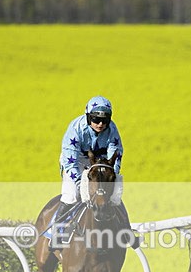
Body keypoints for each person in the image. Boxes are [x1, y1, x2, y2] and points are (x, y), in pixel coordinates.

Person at [53, 95, 136, 248]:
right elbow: (70, 160)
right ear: (88, 116)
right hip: (75, 161)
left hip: (99, 163)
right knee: (72, 194)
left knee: (114, 195)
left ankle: (127, 233)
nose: (100, 124)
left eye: (105, 120)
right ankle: (57, 233)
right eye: (95, 119)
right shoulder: (75, 129)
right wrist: (81, 183)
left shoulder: (112, 129)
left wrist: (111, 176)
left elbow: (115, 154)